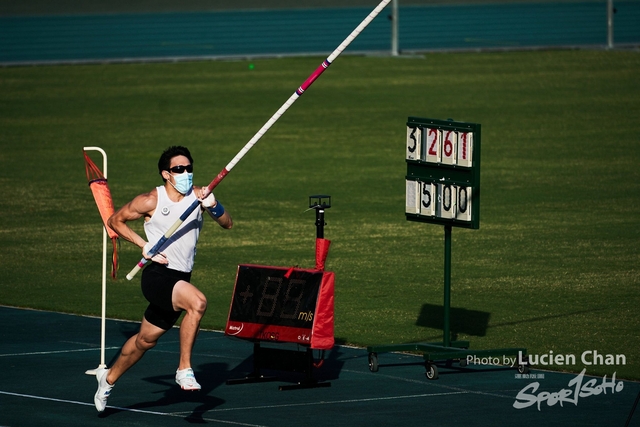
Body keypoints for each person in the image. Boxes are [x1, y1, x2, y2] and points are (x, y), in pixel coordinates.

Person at [93, 145, 232, 413]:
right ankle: (184, 369)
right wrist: (143, 245)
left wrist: (213, 206)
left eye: (189, 168)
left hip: (180, 277)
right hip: (158, 275)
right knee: (198, 303)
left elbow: (228, 223)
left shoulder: (198, 196)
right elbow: (115, 220)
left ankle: (107, 379)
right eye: (179, 169)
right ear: (166, 174)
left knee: (145, 341)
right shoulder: (151, 201)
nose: (185, 173)